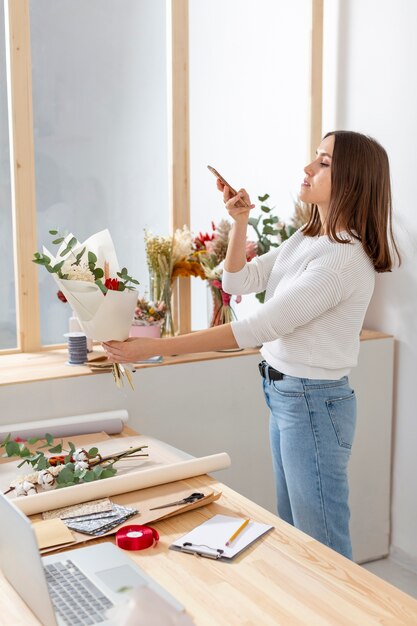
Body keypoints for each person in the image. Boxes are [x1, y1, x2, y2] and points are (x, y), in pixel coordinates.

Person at [104, 130, 400, 559]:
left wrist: (152, 348)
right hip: (286, 394)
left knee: (324, 543)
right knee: (299, 531)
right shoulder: (310, 238)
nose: (308, 168)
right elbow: (238, 282)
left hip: (312, 402)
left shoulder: (342, 260)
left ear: (353, 180)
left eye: (324, 162)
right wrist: (240, 221)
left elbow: (256, 328)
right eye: (314, 157)